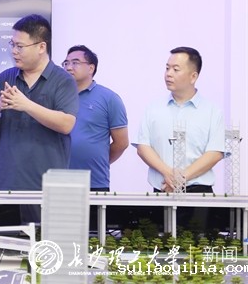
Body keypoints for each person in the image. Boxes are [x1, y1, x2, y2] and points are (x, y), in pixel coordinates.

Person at [0, 14, 78, 223]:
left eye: (20, 46)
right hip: (8, 184)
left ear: (41, 47)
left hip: (48, 186)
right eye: (12, 44)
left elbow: (66, 124)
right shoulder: (6, 77)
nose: (14, 51)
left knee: (47, 242)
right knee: (6, 241)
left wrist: (26, 105)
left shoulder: (63, 80)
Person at [135, 47, 225, 232]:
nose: (168, 74)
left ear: (193, 76)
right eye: (167, 68)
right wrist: (168, 173)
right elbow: (143, 147)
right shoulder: (153, 108)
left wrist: (180, 178)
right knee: (158, 246)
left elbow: (215, 152)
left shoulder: (212, 111)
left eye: (175, 69)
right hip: (162, 190)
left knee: (195, 246)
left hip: (198, 193)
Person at [64, 45, 129, 192]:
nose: (68, 67)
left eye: (75, 63)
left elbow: (121, 143)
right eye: (66, 63)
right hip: (59, 180)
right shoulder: (58, 97)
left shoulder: (109, 98)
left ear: (91, 68)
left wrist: (99, 159)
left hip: (94, 181)